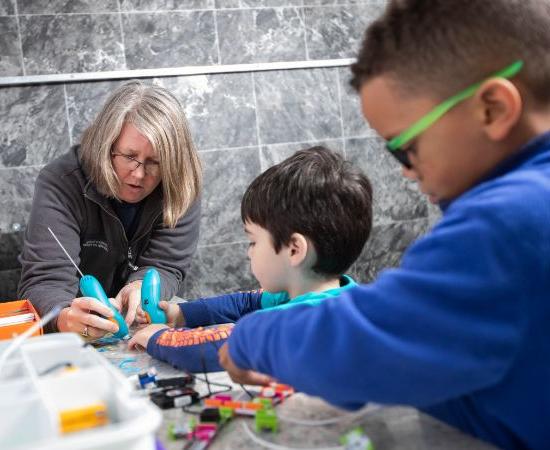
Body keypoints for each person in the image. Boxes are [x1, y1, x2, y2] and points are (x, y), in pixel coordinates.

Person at [217, 1, 550, 449]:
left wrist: (249, 338)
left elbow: (365, 345)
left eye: (404, 148)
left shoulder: (509, 221)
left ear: (492, 108)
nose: (406, 172)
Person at [128, 146, 373, 373]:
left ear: (294, 250)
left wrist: (158, 337)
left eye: (254, 241)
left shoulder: (303, 323)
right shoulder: (331, 294)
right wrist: (180, 313)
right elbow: (244, 304)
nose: (249, 252)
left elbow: (218, 349)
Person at [18, 81, 202, 337]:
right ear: (106, 145)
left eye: (155, 162)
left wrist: (142, 287)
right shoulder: (61, 182)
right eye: (129, 156)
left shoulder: (180, 182)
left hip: (142, 326)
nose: (138, 174)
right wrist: (63, 317)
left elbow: (166, 264)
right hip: (75, 330)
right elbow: (45, 280)